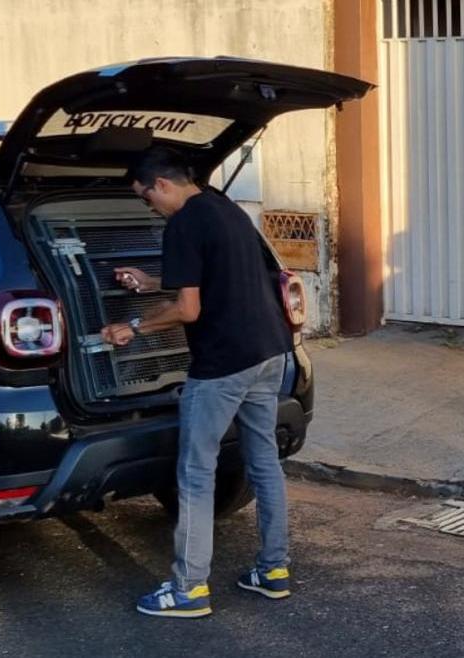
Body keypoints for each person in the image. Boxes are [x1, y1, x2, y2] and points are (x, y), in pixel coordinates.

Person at [101, 146, 293, 618]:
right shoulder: (223, 207)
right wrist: (152, 282)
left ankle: (188, 589)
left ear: (161, 184)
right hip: (269, 352)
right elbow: (213, 275)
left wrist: (136, 326)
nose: (150, 206)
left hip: (223, 364)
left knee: (195, 472)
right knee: (264, 461)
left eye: (147, 198)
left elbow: (189, 310)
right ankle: (274, 570)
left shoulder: (183, 223)